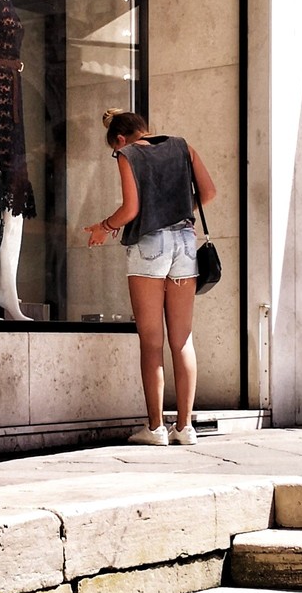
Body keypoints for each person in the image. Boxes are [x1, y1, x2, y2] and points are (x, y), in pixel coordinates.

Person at [85, 111, 215, 447]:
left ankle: (156, 427)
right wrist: (177, 205)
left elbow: (130, 209)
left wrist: (104, 227)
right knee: (182, 340)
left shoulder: (129, 154)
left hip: (150, 245)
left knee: (151, 341)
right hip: (186, 243)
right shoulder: (183, 147)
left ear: (118, 139)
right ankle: (185, 428)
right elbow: (210, 192)